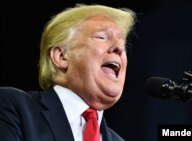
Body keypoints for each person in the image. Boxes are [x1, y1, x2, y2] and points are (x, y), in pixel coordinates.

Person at [0, 3, 136, 141]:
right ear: (61, 56)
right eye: (101, 37)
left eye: (123, 45)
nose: (119, 48)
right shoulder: (13, 107)